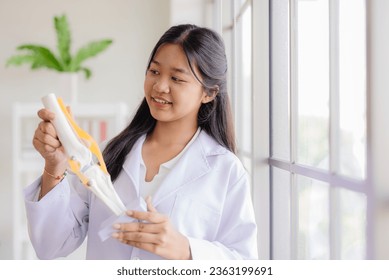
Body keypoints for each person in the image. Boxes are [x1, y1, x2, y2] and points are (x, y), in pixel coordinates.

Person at [24, 24, 258, 260]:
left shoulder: (226, 170)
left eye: (176, 78)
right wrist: (54, 165)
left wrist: (186, 250)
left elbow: (244, 262)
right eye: (154, 71)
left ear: (209, 93)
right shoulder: (110, 154)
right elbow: (50, 245)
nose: (159, 86)